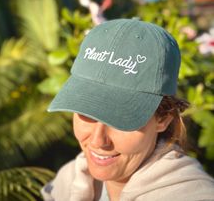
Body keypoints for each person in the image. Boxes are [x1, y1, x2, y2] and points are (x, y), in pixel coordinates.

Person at [41, 18, 214, 201]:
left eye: (120, 119)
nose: (98, 141)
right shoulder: (67, 181)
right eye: (86, 112)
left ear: (163, 118)